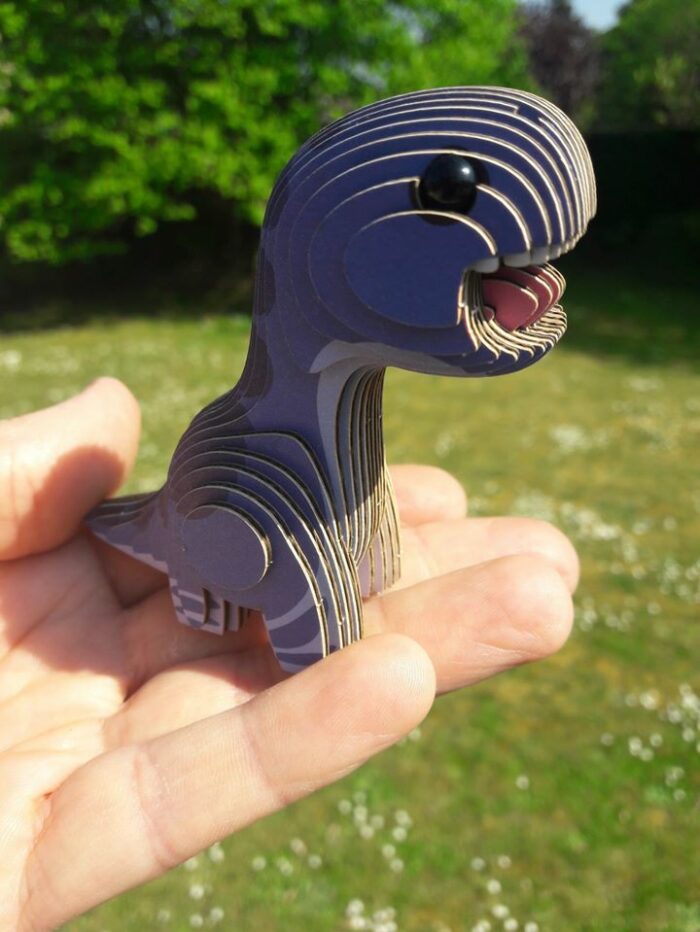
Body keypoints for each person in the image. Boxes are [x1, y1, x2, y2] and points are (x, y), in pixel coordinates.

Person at [0, 378, 578, 929]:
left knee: (339, 487)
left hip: (301, 504)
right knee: (270, 569)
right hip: (226, 524)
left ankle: (330, 580)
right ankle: (225, 602)